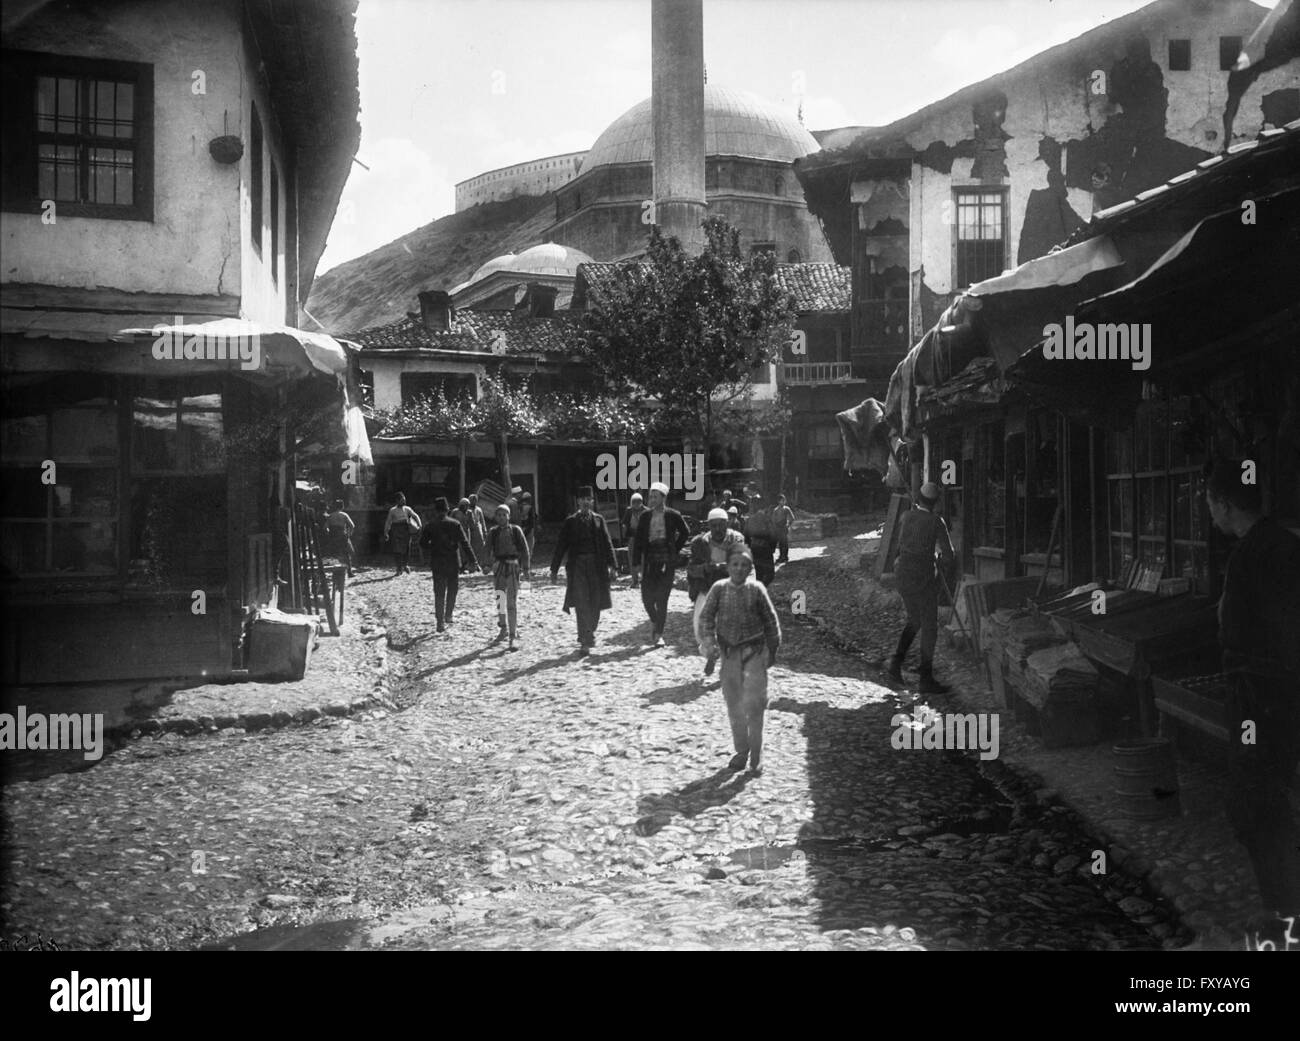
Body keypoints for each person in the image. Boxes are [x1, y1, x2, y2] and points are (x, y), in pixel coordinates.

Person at [1205, 458, 1300, 938]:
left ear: (1223, 503)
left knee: (1254, 806)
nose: (1210, 513)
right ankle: (1284, 907)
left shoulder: (1251, 555)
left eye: (1209, 502)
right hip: (1277, 700)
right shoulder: (1284, 545)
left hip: (1259, 702)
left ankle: (1284, 916)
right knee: (1267, 803)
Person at [698, 543, 782, 776]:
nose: (739, 569)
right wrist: (709, 644)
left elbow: (770, 620)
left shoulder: (756, 590)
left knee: (755, 705)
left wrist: (772, 649)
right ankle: (741, 750)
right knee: (734, 705)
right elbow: (706, 618)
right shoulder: (718, 589)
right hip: (729, 655)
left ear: (750, 568)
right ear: (727, 566)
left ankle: (756, 755)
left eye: (744, 565)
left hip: (754, 652)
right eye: (735, 564)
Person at [886, 482, 955, 693]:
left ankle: (895, 666)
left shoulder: (906, 516)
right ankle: (926, 678)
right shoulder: (937, 522)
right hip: (922, 579)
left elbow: (902, 544)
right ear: (935, 503)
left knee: (914, 620)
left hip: (903, 575)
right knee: (930, 628)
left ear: (920, 499)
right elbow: (950, 555)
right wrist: (938, 558)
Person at [550, 485, 618, 656]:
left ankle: (590, 631)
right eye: (583, 500)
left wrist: (613, 566)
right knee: (581, 602)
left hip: (596, 565)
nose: (586, 502)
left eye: (589, 500)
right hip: (578, 566)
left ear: (592, 502)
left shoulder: (599, 520)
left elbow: (607, 542)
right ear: (578, 502)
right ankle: (584, 640)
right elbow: (561, 546)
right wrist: (554, 569)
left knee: (595, 601)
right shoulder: (570, 521)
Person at [688, 507, 746, 676]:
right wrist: (706, 568)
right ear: (709, 526)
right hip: (708, 589)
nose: (718, 529)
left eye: (721, 525)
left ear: (727, 523)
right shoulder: (700, 543)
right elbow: (691, 569)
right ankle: (711, 655)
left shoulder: (737, 539)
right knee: (701, 629)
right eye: (714, 526)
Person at [631, 481, 690, 647]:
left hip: (667, 560)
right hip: (650, 560)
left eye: (655, 496)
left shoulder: (673, 514)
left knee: (662, 599)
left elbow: (685, 532)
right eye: (650, 496)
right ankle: (656, 622)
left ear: (663, 498)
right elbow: (638, 541)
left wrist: (675, 548)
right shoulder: (645, 516)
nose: (652, 499)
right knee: (647, 598)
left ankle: (658, 634)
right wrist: (635, 561)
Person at [419, 497, 475, 632]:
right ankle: (448, 615)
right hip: (453, 562)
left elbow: (422, 544)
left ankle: (439, 622)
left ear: (435, 510)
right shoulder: (455, 524)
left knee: (439, 592)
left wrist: (433, 545)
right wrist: (473, 560)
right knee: (452, 589)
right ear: (447, 509)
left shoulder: (430, 525)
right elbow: (465, 543)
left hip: (437, 562)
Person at [486, 502, 530, 651]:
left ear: (509, 516)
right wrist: (485, 564)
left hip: (512, 567)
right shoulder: (493, 532)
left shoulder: (516, 530)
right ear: (495, 517)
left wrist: (526, 569)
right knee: (500, 598)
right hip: (498, 567)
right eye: (499, 515)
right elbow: (487, 549)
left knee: (511, 602)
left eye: (504, 514)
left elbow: (524, 550)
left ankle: (512, 634)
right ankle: (503, 626)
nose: (501, 517)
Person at [383, 491, 422, 575]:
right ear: (397, 500)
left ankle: (405, 564)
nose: (404, 501)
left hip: (406, 530)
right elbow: (388, 522)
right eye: (402, 500)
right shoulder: (392, 510)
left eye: (404, 499)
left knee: (407, 548)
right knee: (397, 549)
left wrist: (419, 524)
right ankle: (399, 568)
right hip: (396, 530)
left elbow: (415, 516)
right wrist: (386, 532)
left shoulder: (407, 509)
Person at [744, 492, 776, 586]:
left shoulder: (750, 519)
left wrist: (750, 547)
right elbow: (773, 534)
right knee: (770, 574)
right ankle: (761, 590)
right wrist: (772, 548)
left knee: (759, 573)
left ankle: (759, 593)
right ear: (764, 508)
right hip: (765, 548)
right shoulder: (766, 519)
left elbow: (745, 535)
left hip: (754, 548)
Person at [324, 499, 356, 577]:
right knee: (348, 553)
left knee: (335, 554)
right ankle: (349, 572)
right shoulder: (344, 515)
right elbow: (352, 525)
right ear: (342, 506)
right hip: (343, 536)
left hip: (334, 536)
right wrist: (349, 534)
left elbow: (325, 528)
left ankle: (336, 572)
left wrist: (329, 534)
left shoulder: (330, 516)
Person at [622, 492, 647, 588]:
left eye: (638, 502)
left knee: (643, 558)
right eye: (634, 502)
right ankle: (634, 580)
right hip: (633, 537)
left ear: (641, 502)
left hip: (643, 538)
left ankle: (643, 579)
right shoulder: (629, 511)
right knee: (632, 558)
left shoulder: (646, 511)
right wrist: (625, 532)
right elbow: (625, 523)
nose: (636, 504)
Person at [467, 493, 490, 570]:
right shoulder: (467, 510)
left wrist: (485, 531)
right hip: (470, 530)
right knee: (471, 547)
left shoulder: (479, 509)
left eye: (475, 500)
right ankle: (472, 564)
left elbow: (482, 521)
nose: (474, 502)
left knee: (481, 547)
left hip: (478, 530)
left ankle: (480, 564)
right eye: (472, 500)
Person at [772, 493, 795, 564]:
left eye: (784, 500)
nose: (783, 502)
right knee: (780, 543)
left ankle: (785, 556)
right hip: (778, 528)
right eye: (781, 500)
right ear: (778, 501)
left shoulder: (786, 509)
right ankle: (781, 556)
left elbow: (792, 518)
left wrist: (788, 525)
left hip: (784, 527)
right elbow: (773, 520)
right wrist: (775, 528)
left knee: (785, 543)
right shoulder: (775, 510)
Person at [518, 492, 538, 564]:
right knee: (529, 548)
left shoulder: (518, 507)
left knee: (520, 548)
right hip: (529, 530)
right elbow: (532, 520)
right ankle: (527, 566)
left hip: (520, 529)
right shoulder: (530, 508)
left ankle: (520, 565)